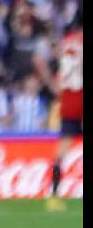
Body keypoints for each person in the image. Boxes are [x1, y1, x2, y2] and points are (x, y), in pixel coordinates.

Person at [46, 24, 82, 212]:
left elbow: (60, 75)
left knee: (62, 149)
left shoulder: (66, 44)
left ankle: (53, 195)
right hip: (80, 96)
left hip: (68, 101)